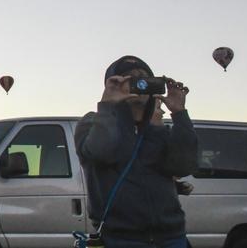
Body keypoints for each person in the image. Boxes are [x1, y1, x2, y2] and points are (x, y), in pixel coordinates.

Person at [75, 56, 197, 248]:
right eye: (129, 78)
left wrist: (179, 113)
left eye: (145, 77)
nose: (140, 82)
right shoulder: (93, 122)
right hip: (121, 239)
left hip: (172, 237)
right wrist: (108, 105)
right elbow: (101, 153)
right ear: (112, 85)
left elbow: (184, 165)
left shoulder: (157, 128)